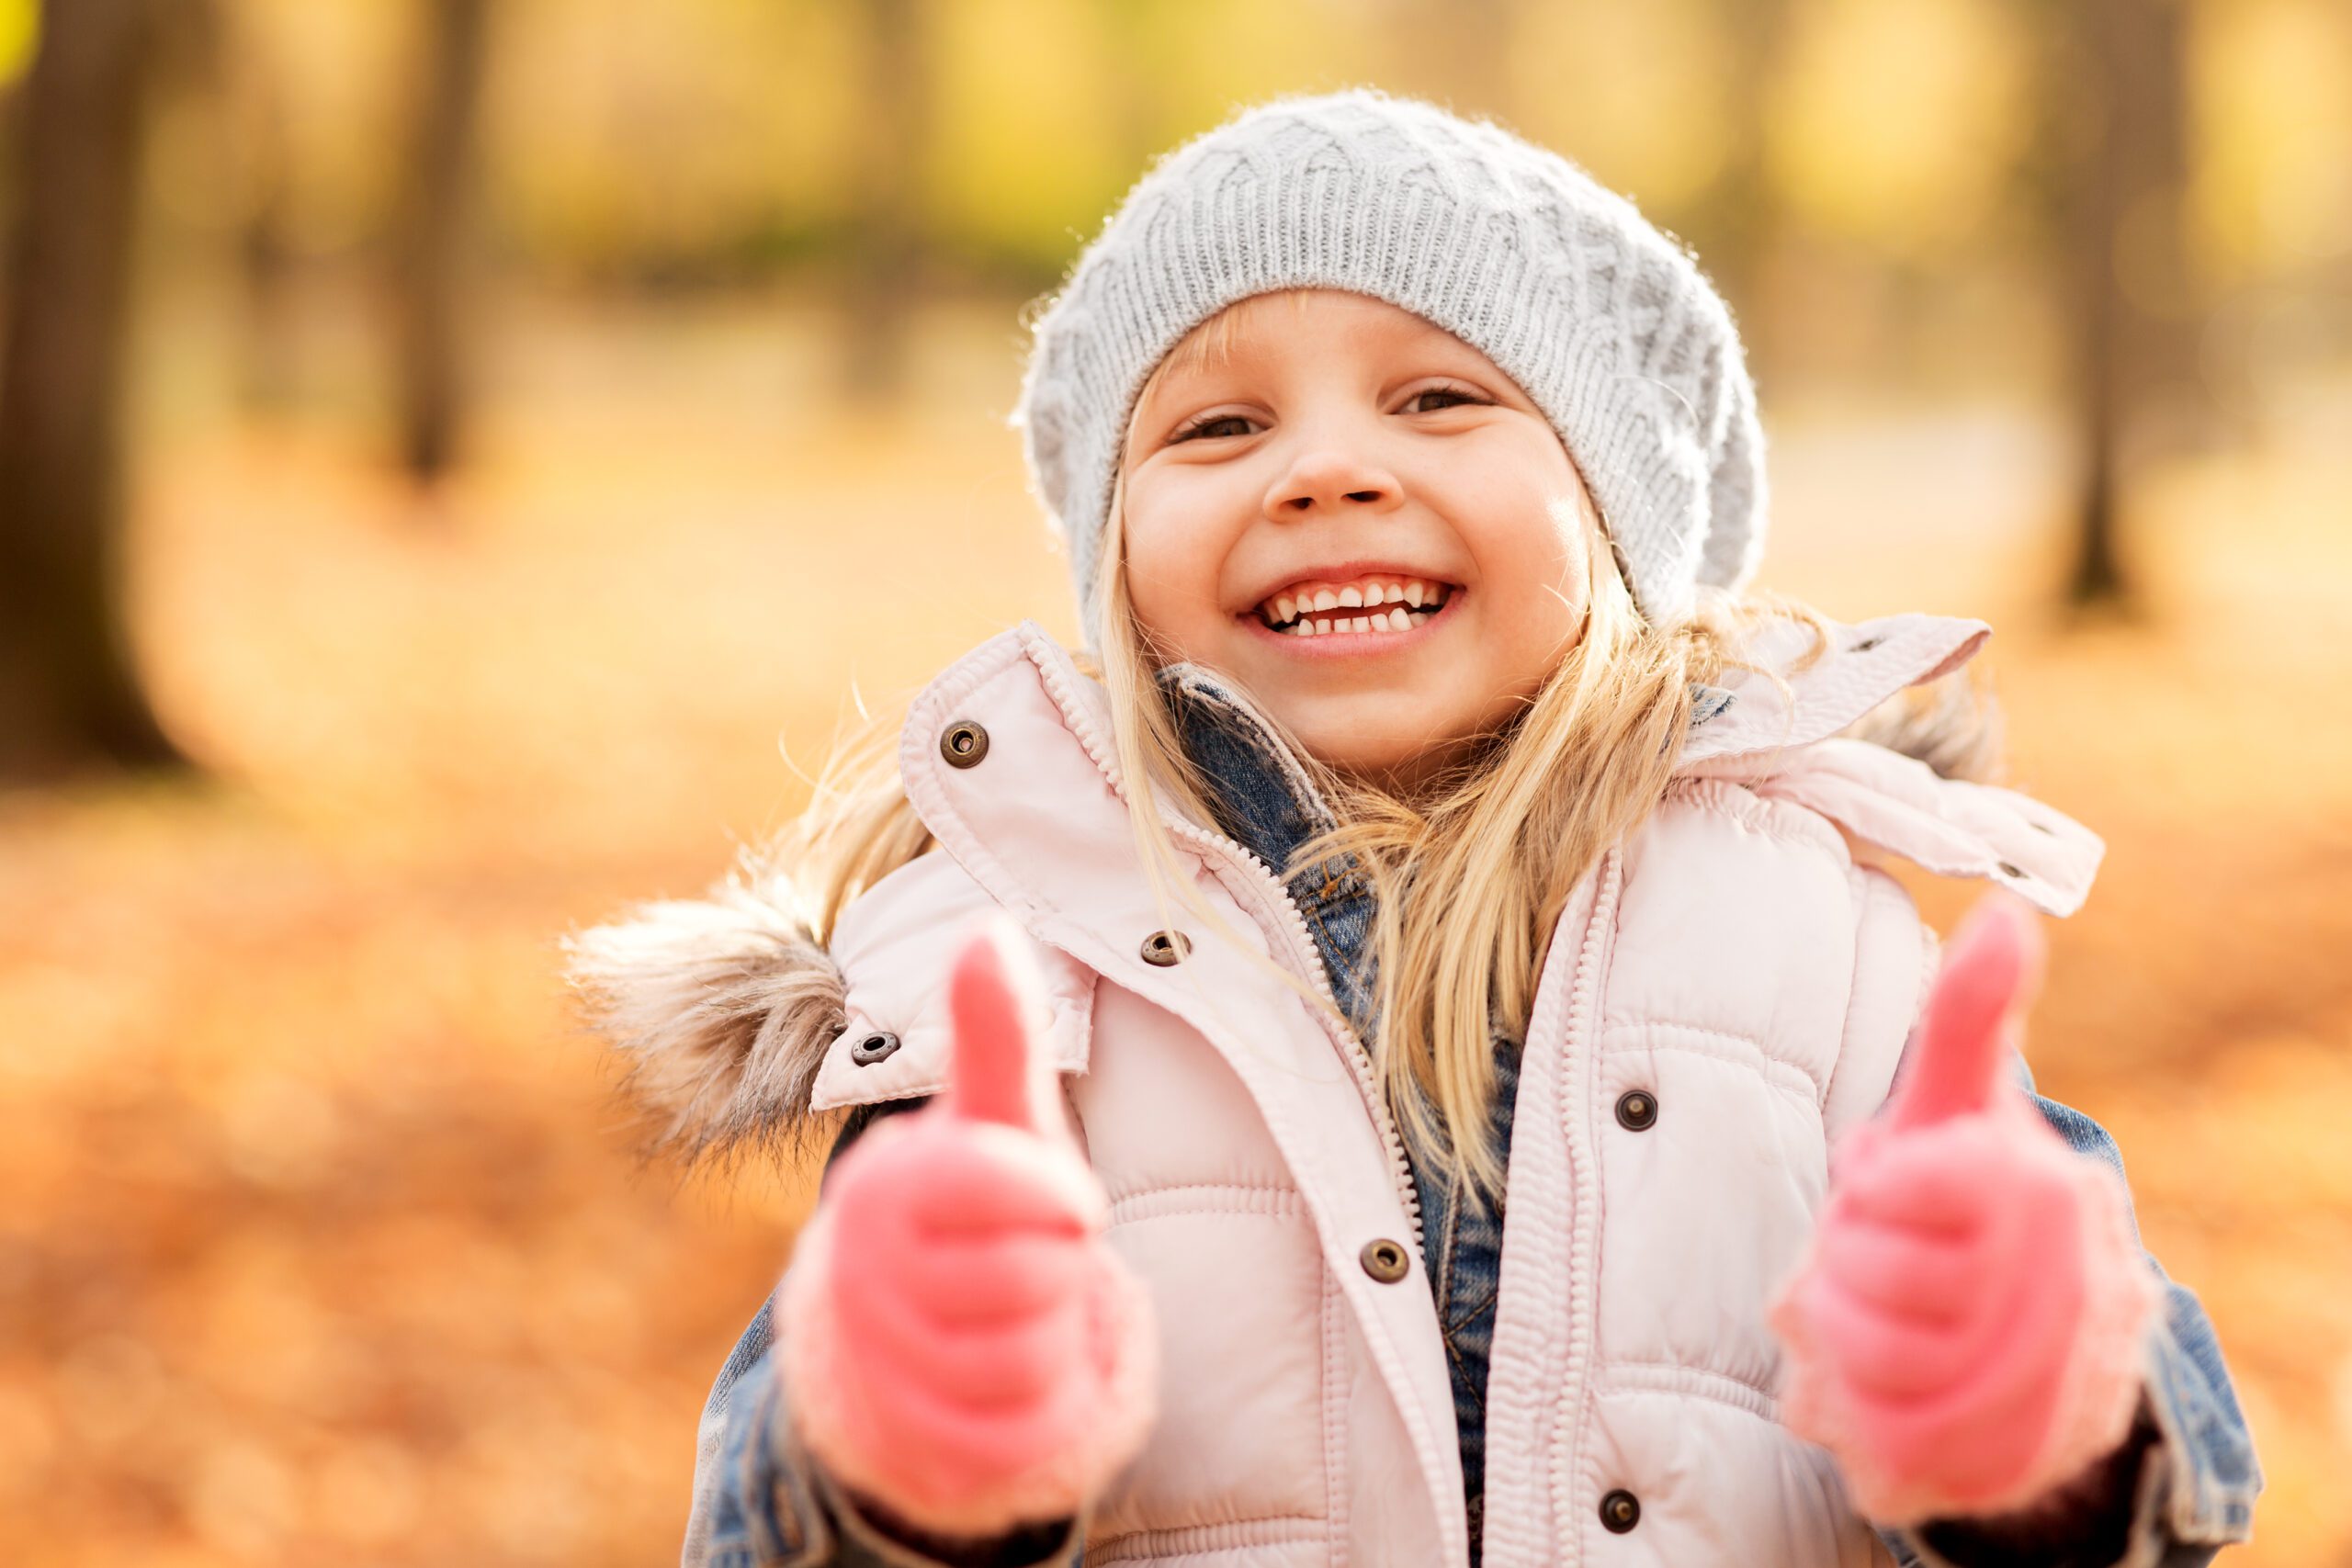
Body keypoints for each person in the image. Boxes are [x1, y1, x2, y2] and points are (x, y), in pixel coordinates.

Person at [562, 88, 2262, 1568]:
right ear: (1116, 568)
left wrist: (2038, 1431)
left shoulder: (1819, 946)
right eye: (1220, 426)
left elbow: (2129, 1487)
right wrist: (917, 1464)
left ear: (1613, 514)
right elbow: (788, 1515)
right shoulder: (1002, 972)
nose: (1323, 471)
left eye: (1440, 400)